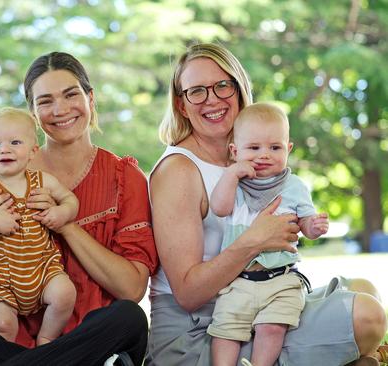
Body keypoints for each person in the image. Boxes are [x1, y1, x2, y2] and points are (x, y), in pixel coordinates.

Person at [0, 51, 158, 366]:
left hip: (90, 339)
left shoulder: (124, 177)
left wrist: (65, 224)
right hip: (16, 339)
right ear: (32, 113)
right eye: (45, 101)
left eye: (71, 95)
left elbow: (131, 289)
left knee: (129, 318)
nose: (60, 109)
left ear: (90, 98)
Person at [145, 42, 387, 366]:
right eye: (197, 91)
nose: (212, 99)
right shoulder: (179, 169)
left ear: (239, 87)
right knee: (368, 318)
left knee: (365, 287)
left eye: (222, 85)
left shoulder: (254, 155)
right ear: (181, 104)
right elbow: (188, 295)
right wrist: (255, 239)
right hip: (203, 332)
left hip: (260, 304)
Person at [207, 102, 329, 366]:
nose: (264, 155)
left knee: (273, 327)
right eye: (253, 148)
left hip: (280, 280)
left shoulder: (294, 186)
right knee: (225, 331)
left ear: (289, 149)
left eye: (275, 147)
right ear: (235, 150)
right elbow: (219, 207)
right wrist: (232, 174)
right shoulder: (236, 184)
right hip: (238, 280)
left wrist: (314, 228)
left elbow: (305, 224)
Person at [0, 107, 78, 345]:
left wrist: (61, 212)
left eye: (15, 142)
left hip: (43, 270)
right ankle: (5, 355)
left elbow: (71, 200)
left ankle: (46, 340)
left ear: (33, 151)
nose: (4, 149)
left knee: (65, 294)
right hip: (0, 278)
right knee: (2, 324)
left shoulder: (42, 181)